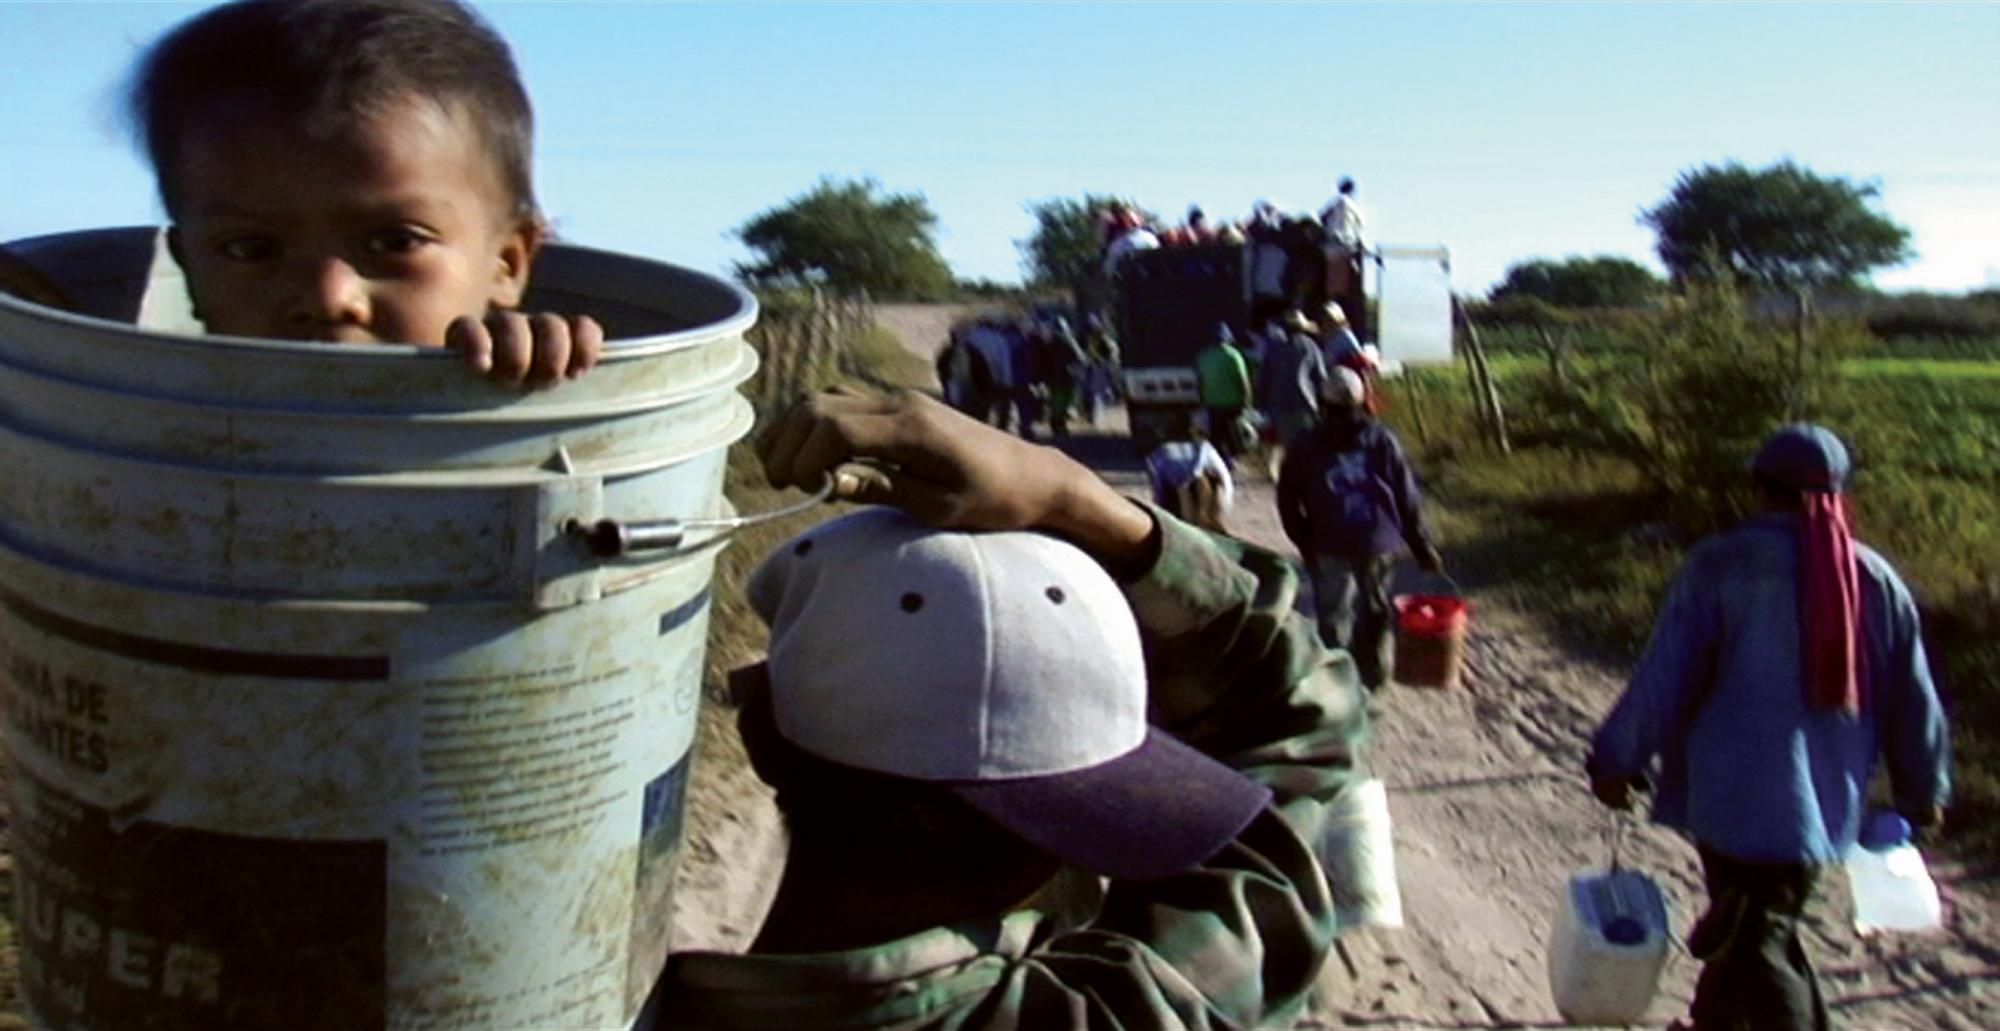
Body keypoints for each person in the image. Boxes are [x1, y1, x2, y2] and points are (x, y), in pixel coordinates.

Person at [648, 389, 1370, 1029]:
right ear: (1052, 841)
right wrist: (1074, 497)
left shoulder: (581, 1002)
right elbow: (1304, 719)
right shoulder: (1126, 1011)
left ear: (760, 732)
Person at [1586, 425, 1951, 1031]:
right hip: (1822, 803)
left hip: (1726, 802)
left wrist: (1616, 758)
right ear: (1838, 494)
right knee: (1757, 931)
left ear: (1758, 488)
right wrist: (1924, 791)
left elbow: (1666, 676)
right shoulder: (1875, 581)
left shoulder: (1722, 564)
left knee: (1759, 938)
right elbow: (1914, 699)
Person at [127, 0, 602, 387]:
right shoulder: (140, 412)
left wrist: (551, 379)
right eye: (251, 249)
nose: (328, 298)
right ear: (188, 266)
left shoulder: (528, 389)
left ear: (507, 262)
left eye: (396, 241)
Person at [1278, 368, 1444, 690]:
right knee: (1376, 610)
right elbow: (1406, 497)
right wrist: (1420, 544)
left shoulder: (1304, 445)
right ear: (1362, 401)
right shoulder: (1382, 439)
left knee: (1333, 617)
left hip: (1329, 543)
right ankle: (1372, 678)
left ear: (1321, 403)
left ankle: (1337, 683)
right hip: (1377, 542)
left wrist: (1305, 543)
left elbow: (1287, 502)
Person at [1259, 309, 1331, 479]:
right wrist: (1324, 402)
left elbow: (1264, 377)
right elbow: (1321, 377)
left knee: (1281, 442)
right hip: (1304, 403)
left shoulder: (1274, 348)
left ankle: (1279, 472)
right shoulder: (1311, 347)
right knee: (1305, 442)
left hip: (1278, 403)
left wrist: (1261, 401)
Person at [1145, 434, 1234, 534]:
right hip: (1192, 470)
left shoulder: (1163, 462)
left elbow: (1159, 498)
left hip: (1178, 468)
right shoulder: (1222, 489)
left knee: (1188, 524)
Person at [1194, 323, 1253, 460]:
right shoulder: (1233, 355)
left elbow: (1200, 381)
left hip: (1212, 403)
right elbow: (1243, 381)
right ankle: (1236, 460)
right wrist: (1247, 400)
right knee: (1235, 435)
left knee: (1216, 436)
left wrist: (1202, 399)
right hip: (1233, 403)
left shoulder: (1204, 356)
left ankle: (1218, 461)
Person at [1318, 178, 1367, 332]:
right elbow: (1361, 223)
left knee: (1333, 288)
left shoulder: (1334, 202)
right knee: (1340, 289)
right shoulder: (1348, 203)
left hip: (1331, 246)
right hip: (1344, 246)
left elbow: (1321, 216)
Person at [1318, 303, 1380, 414]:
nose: (1326, 322)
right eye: (1325, 318)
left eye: (1329, 318)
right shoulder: (1328, 337)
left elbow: (1359, 361)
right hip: (1334, 389)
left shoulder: (1345, 336)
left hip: (1348, 390)